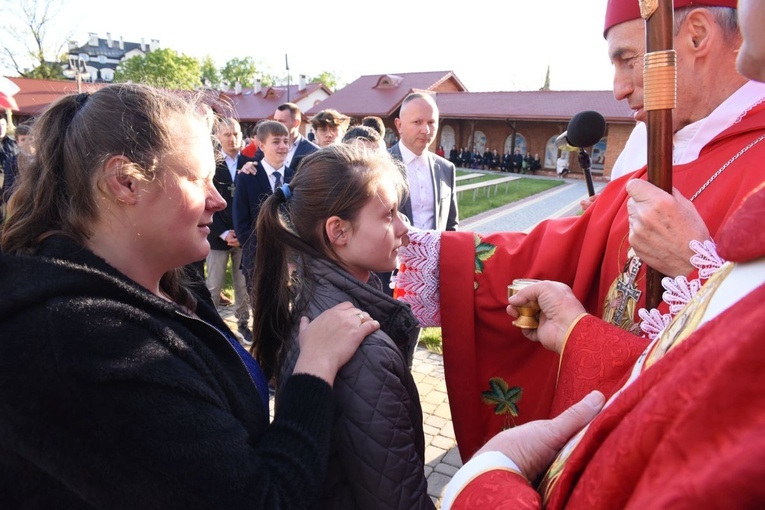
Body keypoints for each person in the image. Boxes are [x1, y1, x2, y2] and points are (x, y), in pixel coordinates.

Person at [395, 0, 765, 460]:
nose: (618, 88)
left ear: (695, 35)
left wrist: (695, 264)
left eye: (627, 60)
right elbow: (563, 249)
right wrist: (430, 254)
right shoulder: (666, 152)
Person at [0, 83, 381, 508]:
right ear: (125, 182)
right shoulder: (81, 342)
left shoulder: (168, 282)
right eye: (198, 179)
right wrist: (314, 370)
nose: (218, 199)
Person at [251, 144, 434, 509]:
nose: (404, 229)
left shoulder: (309, 300)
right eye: (389, 215)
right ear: (338, 230)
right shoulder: (364, 352)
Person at [206, 117, 255, 344]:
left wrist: (242, 232)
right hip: (218, 236)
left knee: (242, 284)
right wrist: (223, 232)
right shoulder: (210, 164)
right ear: (218, 136)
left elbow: (253, 201)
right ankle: (212, 328)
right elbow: (205, 200)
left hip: (243, 236)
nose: (232, 138)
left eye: (235, 133)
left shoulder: (252, 161)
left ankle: (243, 324)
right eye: (227, 134)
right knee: (214, 284)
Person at [233, 120, 291, 287]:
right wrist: (259, 254)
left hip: (290, 261)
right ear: (261, 145)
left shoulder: (296, 177)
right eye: (276, 142)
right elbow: (241, 222)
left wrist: (292, 256)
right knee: (261, 310)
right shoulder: (247, 177)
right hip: (257, 260)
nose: (282, 146)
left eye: (286, 141)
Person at [391, 92, 458, 232]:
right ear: (399, 125)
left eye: (431, 123)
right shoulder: (380, 164)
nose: (426, 130)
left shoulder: (446, 169)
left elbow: (451, 226)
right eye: (417, 122)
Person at [273, 102, 319, 172]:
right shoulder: (266, 146)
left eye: (281, 121)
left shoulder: (313, 152)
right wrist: (250, 165)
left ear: (296, 123)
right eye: (275, 120)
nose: (276, 125)